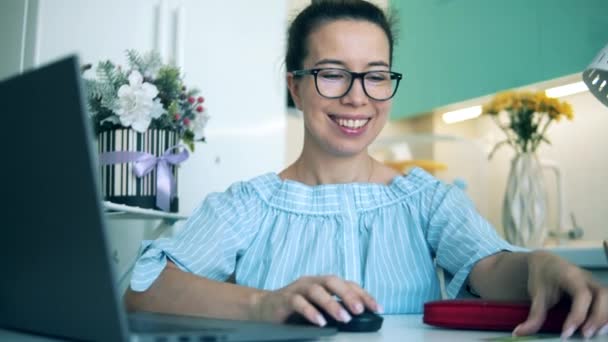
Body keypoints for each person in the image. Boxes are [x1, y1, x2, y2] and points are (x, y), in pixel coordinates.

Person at [124, 0, 608, 339]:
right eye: (332, 73)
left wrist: (538, 263)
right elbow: (143, 288)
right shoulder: (247, 206)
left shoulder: (428, 201)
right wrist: (262, 305)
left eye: (376, 75)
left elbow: (492, 268)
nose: (358, 96)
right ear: (295, 86)